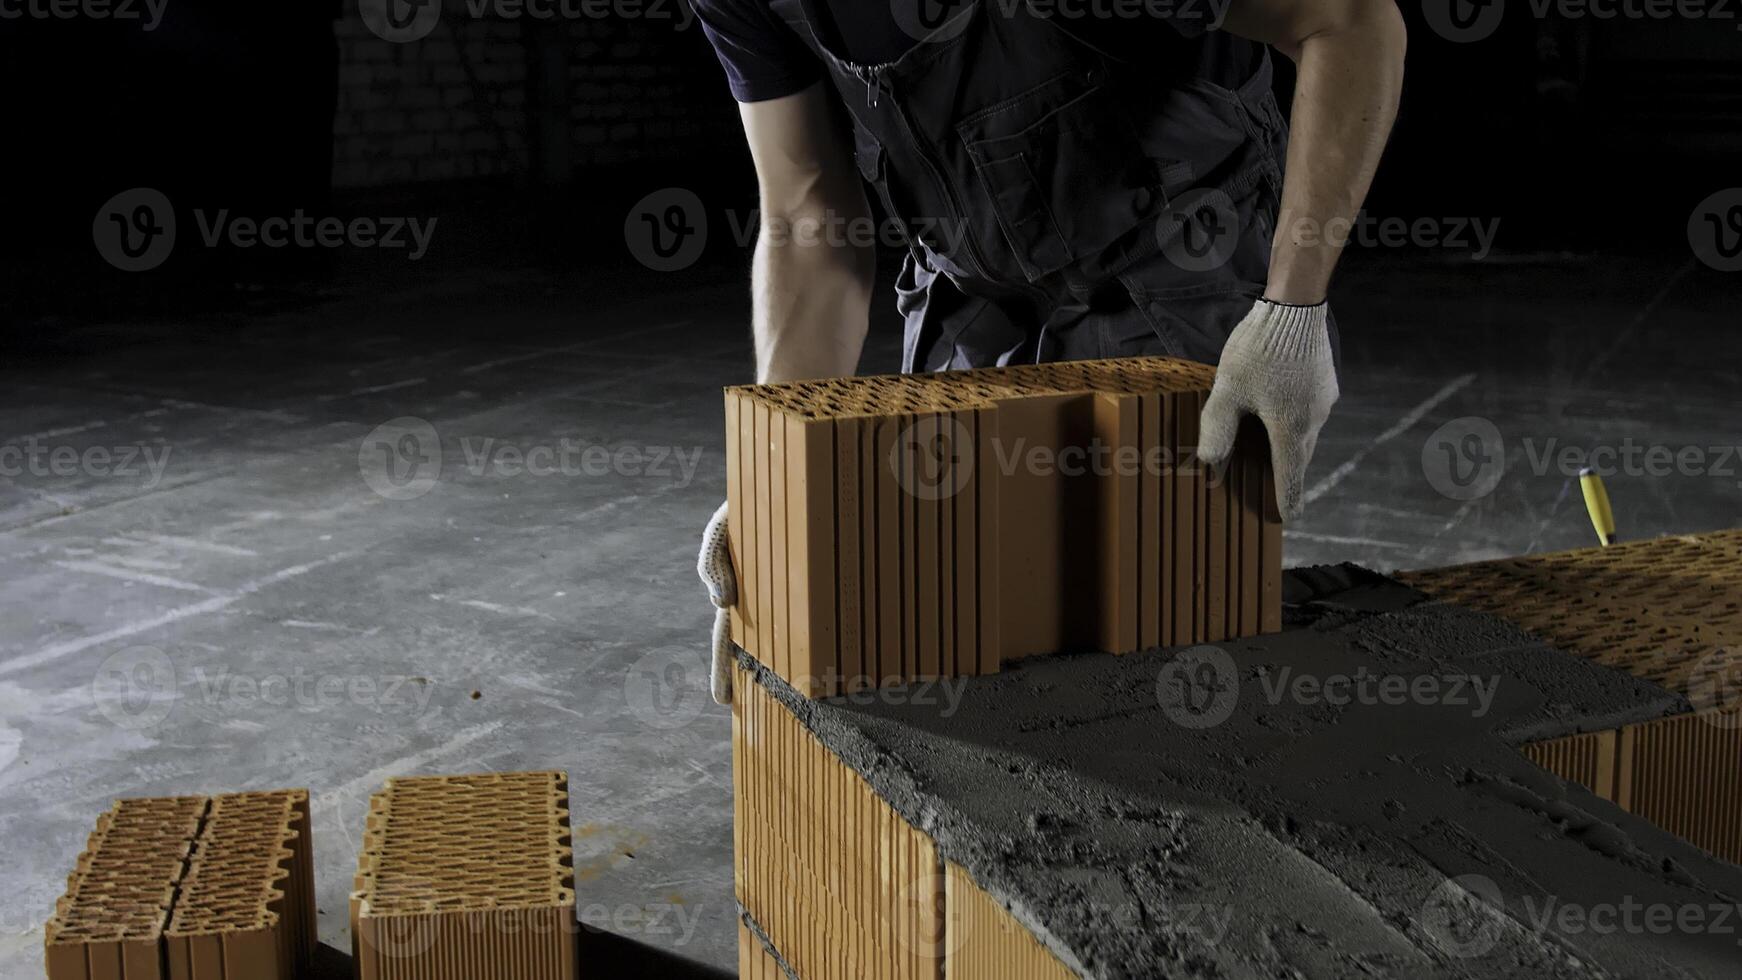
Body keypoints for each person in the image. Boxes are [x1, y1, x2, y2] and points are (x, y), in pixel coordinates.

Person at [693, 0, 1407, 703]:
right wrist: (777, 475)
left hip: (1174, 264)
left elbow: (1350, 22)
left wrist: (1291, 308)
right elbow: (808, 207)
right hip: (982, 293)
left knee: (1172, 626)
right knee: (956, 617)